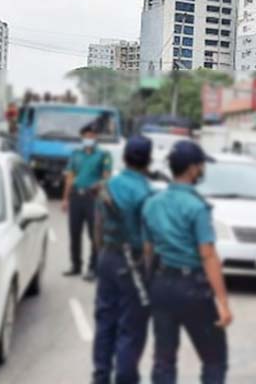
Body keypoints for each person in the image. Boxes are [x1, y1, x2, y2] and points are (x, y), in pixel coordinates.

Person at [142, 141, 232, 384]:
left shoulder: (152, 203)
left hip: (161, 285)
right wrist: (222, 302)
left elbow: (148, 250)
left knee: (164, 359)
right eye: (202, 165)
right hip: (192, 288)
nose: (203, 170)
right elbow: (208, 255)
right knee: (214, 358)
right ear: (192, 169)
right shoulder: (197, 207)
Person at [92, 136, 153, 384]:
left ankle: (100, 377)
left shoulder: (108, 185)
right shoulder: (147, 193)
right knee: (131, 329)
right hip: (134, 263)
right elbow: (149, 243)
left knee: (105, 322)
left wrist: (102, 256)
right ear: (148, 161)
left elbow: (97, 226)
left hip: (108, 256)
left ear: (125, 157)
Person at [62, 124, 113, 281]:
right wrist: (65, 198)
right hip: (77, 197)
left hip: (93, 198)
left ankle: (93, 267)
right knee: (74, 232)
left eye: (91, 136)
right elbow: (70, 176)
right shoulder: (76, 154)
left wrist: (99, 187)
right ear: (82, 137)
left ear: (96, 137)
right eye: (86, 136)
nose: (88, 139)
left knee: (94, 234)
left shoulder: (104, 155)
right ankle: (76, 265)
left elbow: (106, 177)